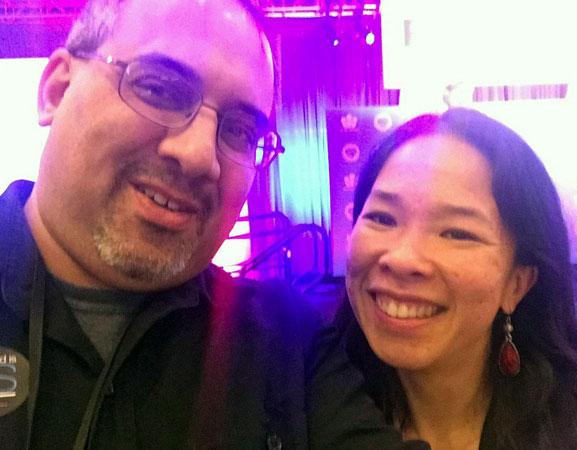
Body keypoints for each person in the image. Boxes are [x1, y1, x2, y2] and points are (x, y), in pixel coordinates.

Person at [0, 1, 430, 449]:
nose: (199, 155)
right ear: (57, 90)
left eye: (240, 131)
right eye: (160, 90)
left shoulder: (287, 345)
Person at [339, 108, 577, 449]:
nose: (402, 259)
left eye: (457, 233)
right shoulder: (307, 405)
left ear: (517, 284)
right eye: (382, 218)